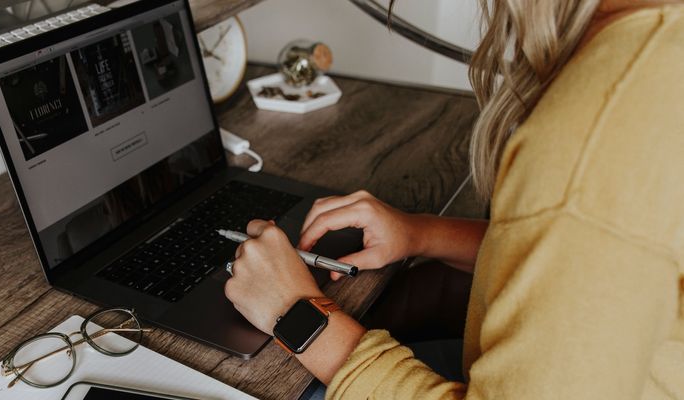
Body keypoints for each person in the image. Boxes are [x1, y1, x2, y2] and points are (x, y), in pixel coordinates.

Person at [223, 0, 684, 398]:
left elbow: (579, 214)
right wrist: (422, 232)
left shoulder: (594, 135)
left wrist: (294, 312)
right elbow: (593, 262)